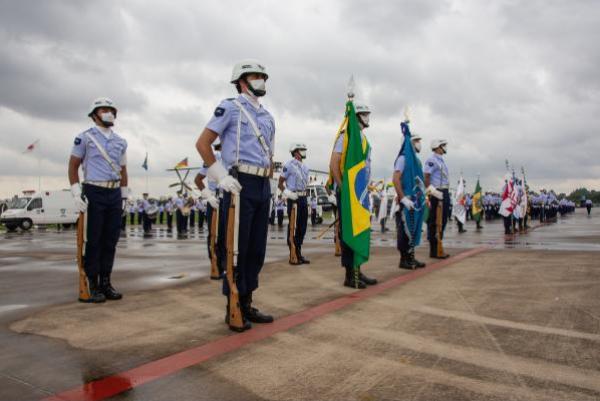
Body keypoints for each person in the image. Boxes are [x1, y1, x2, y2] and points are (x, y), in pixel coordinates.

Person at [195, 59, 275, 332]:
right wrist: (220, 175)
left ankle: (248, 300)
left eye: (263, 76)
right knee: (237, 249)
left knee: (256, 250)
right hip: (239, 182)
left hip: (262, 184)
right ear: (241, 80)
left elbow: (269, 154)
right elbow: (203, 143)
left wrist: (270, 181)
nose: (261, 80)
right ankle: (234, 304)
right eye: (255, 76)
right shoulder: (230, 107)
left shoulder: (268, 116)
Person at [68, 97, 127, 303]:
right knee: (93, 240)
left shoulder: (121, 141)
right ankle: (91, 284)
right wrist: (76, 193)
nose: (109, 113)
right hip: (93, 190)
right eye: (104, 110)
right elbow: (73, 166)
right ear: (94, 115)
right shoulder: (84, 138)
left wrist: (124, 195)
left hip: (114, 193)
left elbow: (123, 169)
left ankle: (106, 282)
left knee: (111, 240)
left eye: (111, 110)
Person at [329, 101, 378, 289]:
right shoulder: (346, 136)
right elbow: (335, 164)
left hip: (361, 194)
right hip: (348, 194)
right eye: (364, 114)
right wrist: (343, 189)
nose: (367, 117)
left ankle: (358, 270)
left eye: (368, 114)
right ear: (356, 116)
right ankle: (350, 275)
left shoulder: (363, 139)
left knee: (361, 230)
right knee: (349, 232)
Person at [393, 133, 426, 269]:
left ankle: (411, 257)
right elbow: (396, 179)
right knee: (405, 230)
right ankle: (403, 259)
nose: (419, 143)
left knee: (414, 229)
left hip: (416, 200)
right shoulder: (403, 158)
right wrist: (403, 198)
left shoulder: (416, 161)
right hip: (407, 199)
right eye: (416, 141)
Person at [279, 143, 311, 265]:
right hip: (294, 198)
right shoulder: (289, 165)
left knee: (302, 226)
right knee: (293, 226)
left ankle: (298, 251)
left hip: (303, 197)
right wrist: (287, 193)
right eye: (302, 150)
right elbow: (280, 183)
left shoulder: (305, 167)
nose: (304, 152)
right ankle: (292, 253)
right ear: (295, 152)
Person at [194, 153, 222, 276]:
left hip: (228, 199)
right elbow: (197, 179)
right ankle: (215, 265)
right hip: (214, 200)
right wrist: (208, 195)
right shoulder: (213, 157)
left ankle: (225, 264)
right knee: (213, 234)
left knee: (227, 234)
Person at [424, 139, 450, 259]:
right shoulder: (432, 160)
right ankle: (434, 250)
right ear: (437, 147)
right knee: (435, 221)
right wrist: (432, 192)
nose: (445, 147)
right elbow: (426, 177)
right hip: (436, 192)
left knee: (443, 220)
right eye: (443, 145)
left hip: (444, 191)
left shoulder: (441, 160)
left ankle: (439, 246)